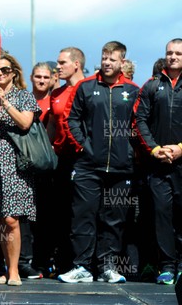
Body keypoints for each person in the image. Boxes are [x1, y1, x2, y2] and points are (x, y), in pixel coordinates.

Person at [58, 41, 139, 284]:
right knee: (83, 217)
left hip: (121, 168)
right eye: (104, 58)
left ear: (122, 62)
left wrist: (130, 152)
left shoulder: (133, 90)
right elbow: (71, 120)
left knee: (114, 220)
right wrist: (85, 147)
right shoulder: (85, 87)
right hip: (87, 167)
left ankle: (107, 268)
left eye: (112, 59)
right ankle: (81, 267)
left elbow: (139, 125)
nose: (106, 63)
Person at [0, 54, 39, 286]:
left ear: (14, 72)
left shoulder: (24, 96)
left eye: (4, 70)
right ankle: (6, 268)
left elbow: (24, 123)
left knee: (12, 219)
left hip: (14, 162)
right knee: (0, 219)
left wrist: (5, 103)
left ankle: (14, 271)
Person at [134, 38, 182, 285]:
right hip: (158, 164)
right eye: (169, 53)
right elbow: (139, 120)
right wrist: (154, 149)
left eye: (178, 53)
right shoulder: (151, 86)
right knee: (162, 214)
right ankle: (168, 266)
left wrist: (181, 149)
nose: (173, 57)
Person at [38, 47, 87, 276]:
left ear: (76, 64)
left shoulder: (89, 88)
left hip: (83, 158)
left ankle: (82, 264)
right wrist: (45, 152)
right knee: (58, 214)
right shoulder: (56, 93)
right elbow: (50, 125)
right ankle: (61, 263)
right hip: (59, 159)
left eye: (62, 62)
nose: (57, 66)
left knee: (79, 213)